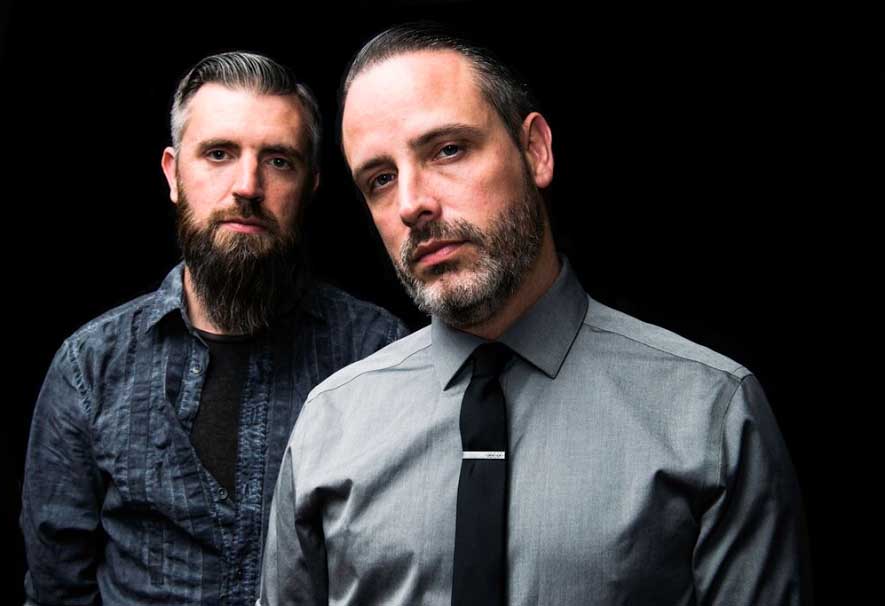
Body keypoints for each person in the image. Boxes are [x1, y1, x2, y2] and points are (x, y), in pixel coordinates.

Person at [259, 24, 812, 606]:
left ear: (536, 150)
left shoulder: (711, 415)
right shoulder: (329, 426)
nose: (411, 204)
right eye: (380, 179)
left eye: (448, 150)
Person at [20, 51, 407, 605]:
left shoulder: (377, 353)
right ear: (173, 174)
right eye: (219, 153)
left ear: (310, 186)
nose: (247, 185)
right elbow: (56, 590)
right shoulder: (90, 368)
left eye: (279, 161)